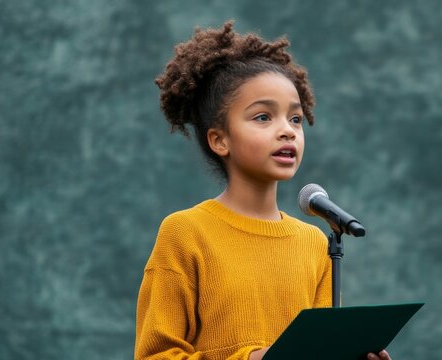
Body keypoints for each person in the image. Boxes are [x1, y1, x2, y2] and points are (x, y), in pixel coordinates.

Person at [135, 20, 392, 360]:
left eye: (295, 119)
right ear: (220, 140)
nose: (287, 131)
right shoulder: (184, 233)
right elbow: (155, 356)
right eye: (262, 117)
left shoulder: (315, 243)